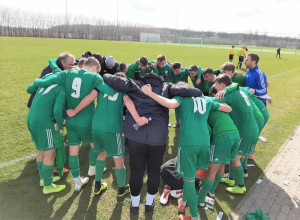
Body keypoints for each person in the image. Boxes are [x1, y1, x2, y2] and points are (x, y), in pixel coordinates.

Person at [106, 74, 202, 214]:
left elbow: (109, 78)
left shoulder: (136, 85)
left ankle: (134, 204)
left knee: (137, 171)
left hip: (136, 136)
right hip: (157, 137)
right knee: (154, 171)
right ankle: (149, 203)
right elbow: (196, 92)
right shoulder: (167, 87)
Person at [141, 82, 232, 220]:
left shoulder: (182, 98)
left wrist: (149, 93)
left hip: (188, 143)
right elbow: (228, 109)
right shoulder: (205, 99)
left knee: (188, 181)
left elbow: (170, 104)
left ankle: (195, 216)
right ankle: (183, 202)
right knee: (191, 175)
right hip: (204, 142)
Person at [34, 57, 115, 192]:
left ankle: (77, 182)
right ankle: (93, 170)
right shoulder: (95, 77)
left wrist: (37, 81)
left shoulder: (67, 73)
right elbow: (104, 93)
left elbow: (49, 79)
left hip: (70, 121)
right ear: (95, 67)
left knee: (73, 152)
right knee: (98, 148)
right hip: (86, 120)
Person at [66, 73, 148, 196]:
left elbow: (89, 99)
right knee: (118, 159)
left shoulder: (100, 86)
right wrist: (137, 118)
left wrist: (74, 110)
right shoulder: (122, 91)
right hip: (112, 128)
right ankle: (121, 189)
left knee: (101, 154)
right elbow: (128, 101)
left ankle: (97, 185)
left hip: (96, 126)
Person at [214, 74, 259, 195]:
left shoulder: (227, 95)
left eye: (216, 84)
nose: (215, 87)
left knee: (235, 159)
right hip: (250, 128)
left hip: (245, 131)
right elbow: (248, 90)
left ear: (222, 85)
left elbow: (212, 103)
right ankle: (231, 179)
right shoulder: (240, 90)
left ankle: (240, 186)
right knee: (234, 155)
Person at [197, 84, 240, 209]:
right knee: (222, 164)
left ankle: (200, 200)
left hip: (222, 137)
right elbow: (228, 110)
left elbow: (208, 130)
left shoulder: (202, 105)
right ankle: (211, 191)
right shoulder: (214, 100)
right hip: (235, 134)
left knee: (211, 171)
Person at [27, 74, 66, 194]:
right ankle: (48, 187)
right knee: (50, 151)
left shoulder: (45, 82)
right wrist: (60, 126)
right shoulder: (61, 88)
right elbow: (57, 110)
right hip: (44, 123)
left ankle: (44, 179)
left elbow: (29, 89)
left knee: (41, 150)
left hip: (31, 119)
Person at [170, 62, 189, 128]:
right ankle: (178, 122)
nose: (175, 72)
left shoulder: (185, 70)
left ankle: (185, 123)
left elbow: (199, 68)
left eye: (177, 70)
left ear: (180, 69)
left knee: (185, 108)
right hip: (176, 92)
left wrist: (198, 78)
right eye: (173, 70)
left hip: (185, 92)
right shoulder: (171, 70)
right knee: (177, 108)